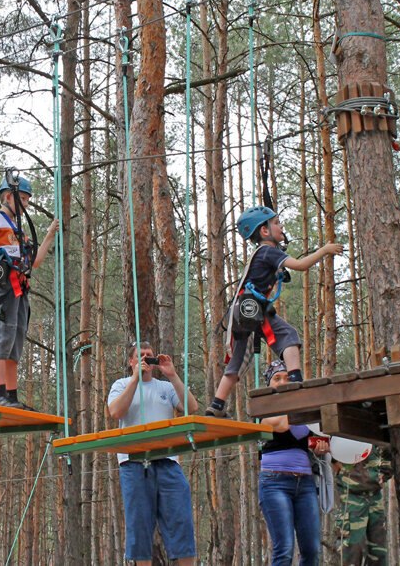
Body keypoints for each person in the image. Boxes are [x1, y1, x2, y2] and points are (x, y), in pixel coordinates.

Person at [205, 205, 343, 417]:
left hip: (243, 310)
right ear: (265, 231)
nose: (281, 226)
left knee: (238, 359)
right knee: (289, 335)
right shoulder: (269, 252)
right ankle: (295, 380)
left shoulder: (263, 254)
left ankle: (216, 405)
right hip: (255, 309)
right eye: (277, 223)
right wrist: (324, 250)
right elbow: (301, 265)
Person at [107, 342, 199, 566]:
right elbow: (116, 412)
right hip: (134, 462)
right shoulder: (120, 385)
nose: (146, 359)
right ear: (131, 361)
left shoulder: (165, 387)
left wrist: (173, 375)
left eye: (149, 355)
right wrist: (135, 379)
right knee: (139, 526)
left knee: (181, 522)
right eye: (141, 356)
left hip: (168, 461)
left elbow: (191, 407)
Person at [0, 173, 57, 409]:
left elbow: (35, 262)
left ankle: (11, 395)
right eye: (23, 199)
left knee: (15, 337)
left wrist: (49, 235)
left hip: (20, 287)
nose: (26, 204)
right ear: (8, 197)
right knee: (2, 333)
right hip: (3, 285)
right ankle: (0, 393)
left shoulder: (20, 231)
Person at [258, 360, 327, 566]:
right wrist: (297, 402)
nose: (283, 381)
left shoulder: (306, 413)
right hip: (274, 483)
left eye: (288, 378)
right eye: (277, 378)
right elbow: (279, 426)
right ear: (269, 384)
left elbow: (320, 438)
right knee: (284, 549)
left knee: (312, 550)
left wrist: (321, 446)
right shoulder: (263, 409)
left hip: (305, 484)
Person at [337, 449, 392, 565]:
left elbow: (389, 447)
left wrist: (384, 473)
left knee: (379, 552)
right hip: (350, 494)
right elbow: (323, 442)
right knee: (352, 551)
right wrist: (335, 464)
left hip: (374, 495)